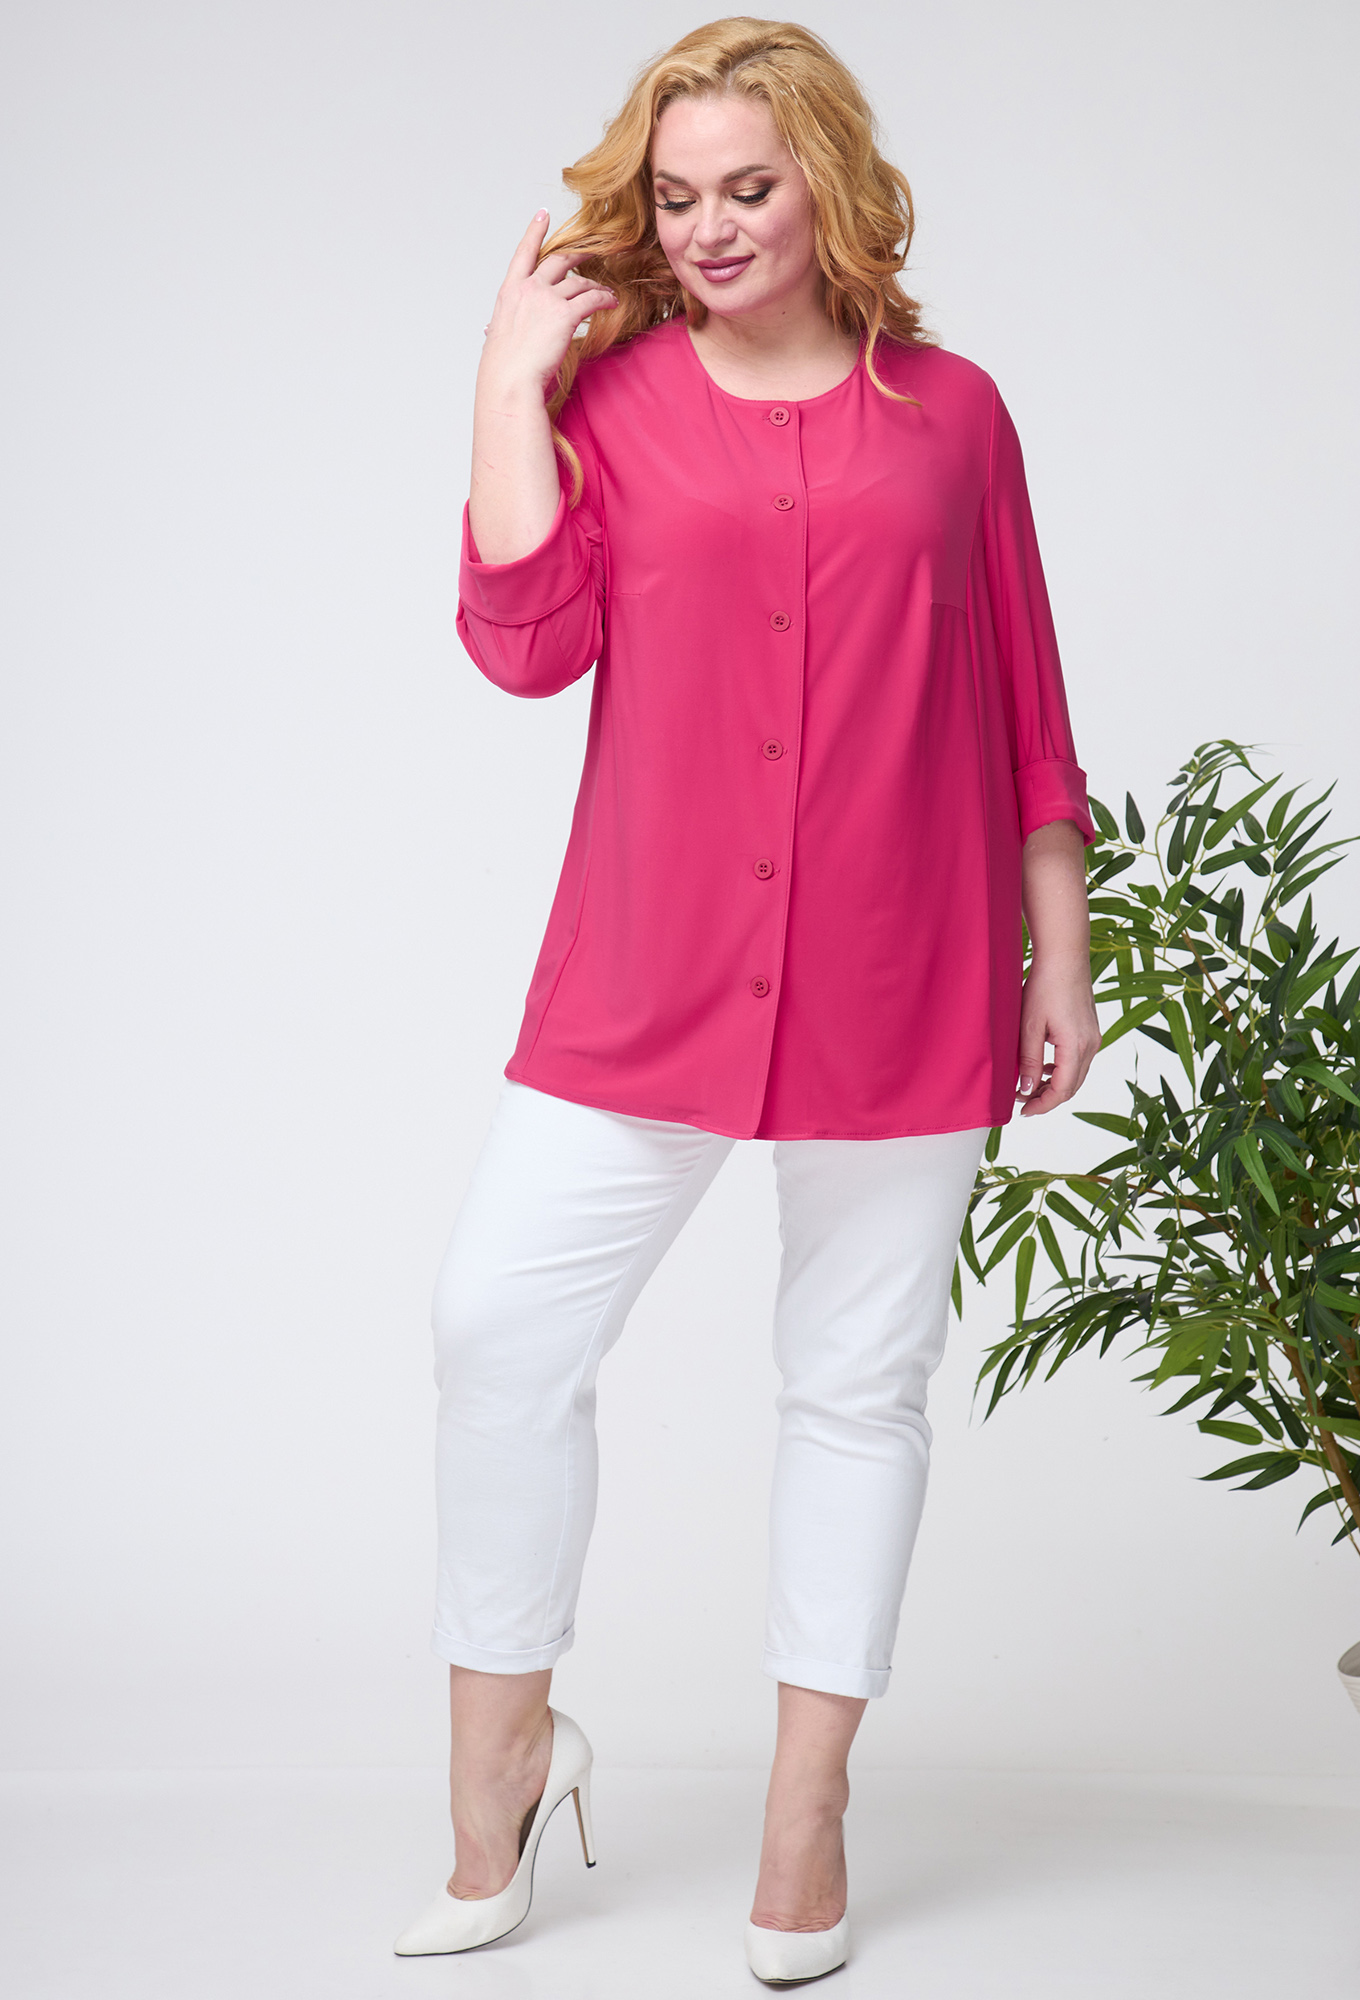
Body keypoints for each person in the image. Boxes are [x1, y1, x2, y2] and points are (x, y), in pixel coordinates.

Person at [395, 15, 1100, 1984]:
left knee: (855, 1388)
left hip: (903, 968)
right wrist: (508, 381)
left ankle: (809, 1808)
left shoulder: (954, 416)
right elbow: (523, 644)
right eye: (678, 195)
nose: (709, 227)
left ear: (828, 188)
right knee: (496, 1328)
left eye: (749, 189)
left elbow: (1025, 699)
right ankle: (502, 1763)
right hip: (649, 968)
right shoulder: (611, 401)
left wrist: (1056, 945)